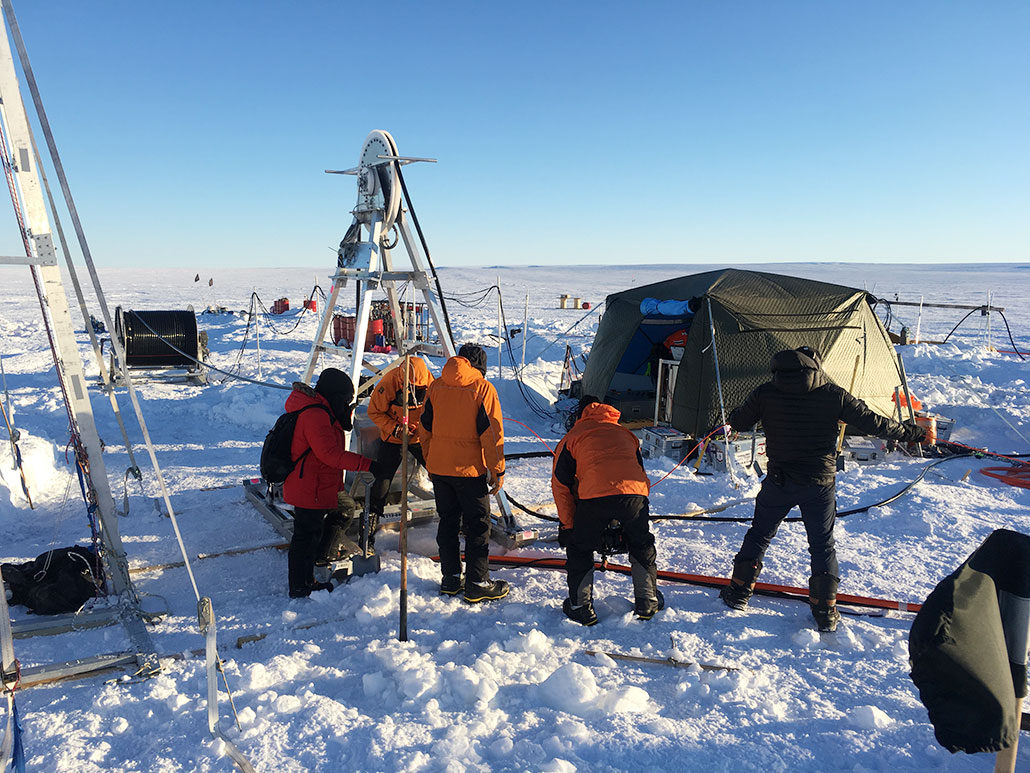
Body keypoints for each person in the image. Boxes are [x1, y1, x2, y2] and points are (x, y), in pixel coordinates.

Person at [719, 346, 927, 632]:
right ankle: (825, 610)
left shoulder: (765, 392)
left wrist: (736, 414)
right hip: (819, 483)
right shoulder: (833, 394)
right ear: (816, 367)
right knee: (822, 545)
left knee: (759, 535)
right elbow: (874, 423)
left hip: (779, 481)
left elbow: (739, 421)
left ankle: (739, 592)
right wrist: (909, 433)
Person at [552, 396, 662, 625]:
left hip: (593, 498)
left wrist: (569, 525)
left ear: (581, 415)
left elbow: (560, 486)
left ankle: (581, 606)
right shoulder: (626, 434)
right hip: (634, 495)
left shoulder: (572, 437)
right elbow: (639, 471)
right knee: (642, 543)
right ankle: (647, 600)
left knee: (580, 548)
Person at [420, 343, 509, 603]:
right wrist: (497, 471)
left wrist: (431, 460)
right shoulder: (483, 389)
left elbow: (424, 429)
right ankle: (478, 583)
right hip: (470, 473)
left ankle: (450, 578)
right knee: (478, 527)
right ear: (481, 367)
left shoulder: (436, 387)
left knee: (448, 522)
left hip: (440, 470)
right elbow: (492, 436)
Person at [282, 368, 381, 598]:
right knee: (306, 536)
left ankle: (316, 564)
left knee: (340, 511)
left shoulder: (321, 409)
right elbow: (330, 454)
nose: (346, 404)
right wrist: (367, 464)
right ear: (334, 394)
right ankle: (301, 585)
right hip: (309, 485)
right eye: (345, 399)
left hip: (315, 482)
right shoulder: (315, 415)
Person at [365, 357, 435, 553]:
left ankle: (454, 516)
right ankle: (368, 531)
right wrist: (395, 429)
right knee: (382, 482)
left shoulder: (431, 384)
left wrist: (422, 431)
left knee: (439, 472)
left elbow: (436, 413)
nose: (416, 391)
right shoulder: (389, 382)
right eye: (411, 387)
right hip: (393, 438)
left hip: (420, 438)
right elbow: (374, 412)